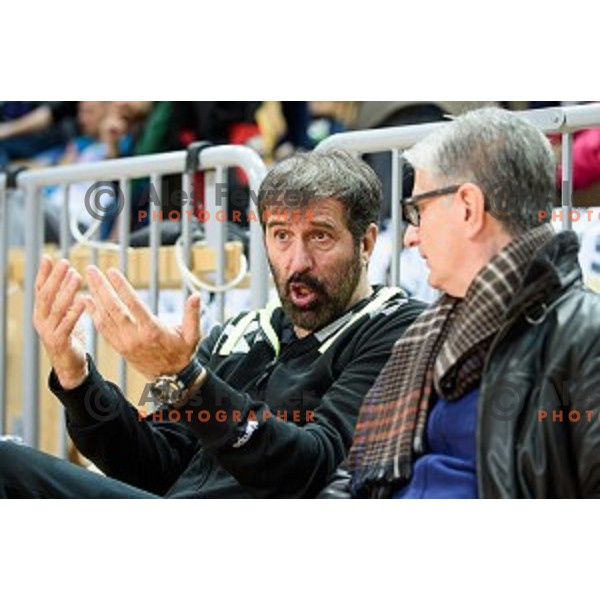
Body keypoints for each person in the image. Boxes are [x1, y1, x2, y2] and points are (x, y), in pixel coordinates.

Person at [0, 149, 424, 498]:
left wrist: (189, 383)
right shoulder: (236, 332)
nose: (297, 262)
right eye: (281, 236)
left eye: (320, 236)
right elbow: (152, 465)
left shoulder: (397, 328)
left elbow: (312, 464)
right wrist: (78, 381)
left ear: (366, 242)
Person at [347, 107, 600, 499]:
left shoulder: (585, 336)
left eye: (419, 211)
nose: (410, 237)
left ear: (468, 208)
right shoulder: (432, 326)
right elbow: (350, 478)